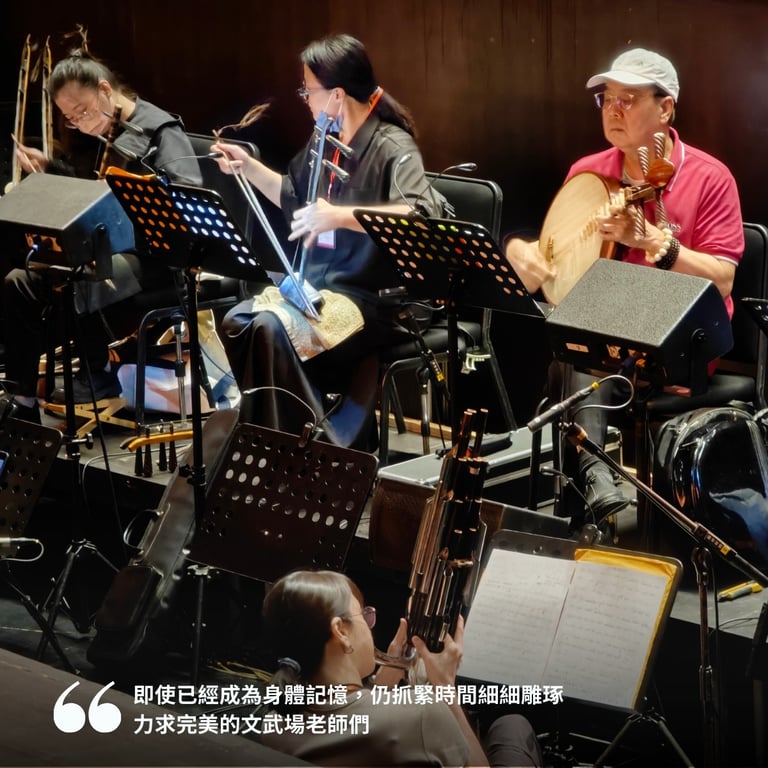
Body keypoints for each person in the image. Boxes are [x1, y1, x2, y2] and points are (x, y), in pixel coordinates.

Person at [505, 48, 743, 529]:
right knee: (567, 336)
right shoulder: (588, 172)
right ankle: (592, 481)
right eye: (606, 99)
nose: (612, 110)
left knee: (575, 356)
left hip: (682, 339)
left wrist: (654, 242)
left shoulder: (709, 177)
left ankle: (589, 477)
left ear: (665, 107)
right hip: (606, 338)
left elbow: (722, 278)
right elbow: (557, 258)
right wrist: (519, 253)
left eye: (627, 100)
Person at [211, 33, 443, 451]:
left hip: (378, 300)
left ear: (336, 95)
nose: (305, 100)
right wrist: (248, 168)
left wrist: (339, 216)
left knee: (270, 328)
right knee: (237, 323)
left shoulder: (393, 145)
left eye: (309, 91)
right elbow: (294, 195)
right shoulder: (325, 141)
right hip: (325, 290)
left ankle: (312, 445)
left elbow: (419, 216)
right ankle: (303, 437)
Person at [2, 44, 202, 422]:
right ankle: (21, 398)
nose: (79, 122)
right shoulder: (106, 133)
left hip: (156, 259)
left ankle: (99, 373)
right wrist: (50, 169)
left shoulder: (160, 130)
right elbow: (91, 195)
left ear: (105, 90)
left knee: (82, 270)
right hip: (108, 248)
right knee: (20, 281)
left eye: (82, 111)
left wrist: (143, 192)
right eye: (70, 118)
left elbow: (188, 197)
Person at [258, 569, 543, 767]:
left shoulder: (273, 725)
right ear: (341, 631)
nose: (369, 626)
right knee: (512, 725)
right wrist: (446, 691)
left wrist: (383, 680)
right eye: (363, 615)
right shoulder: (422, 714)